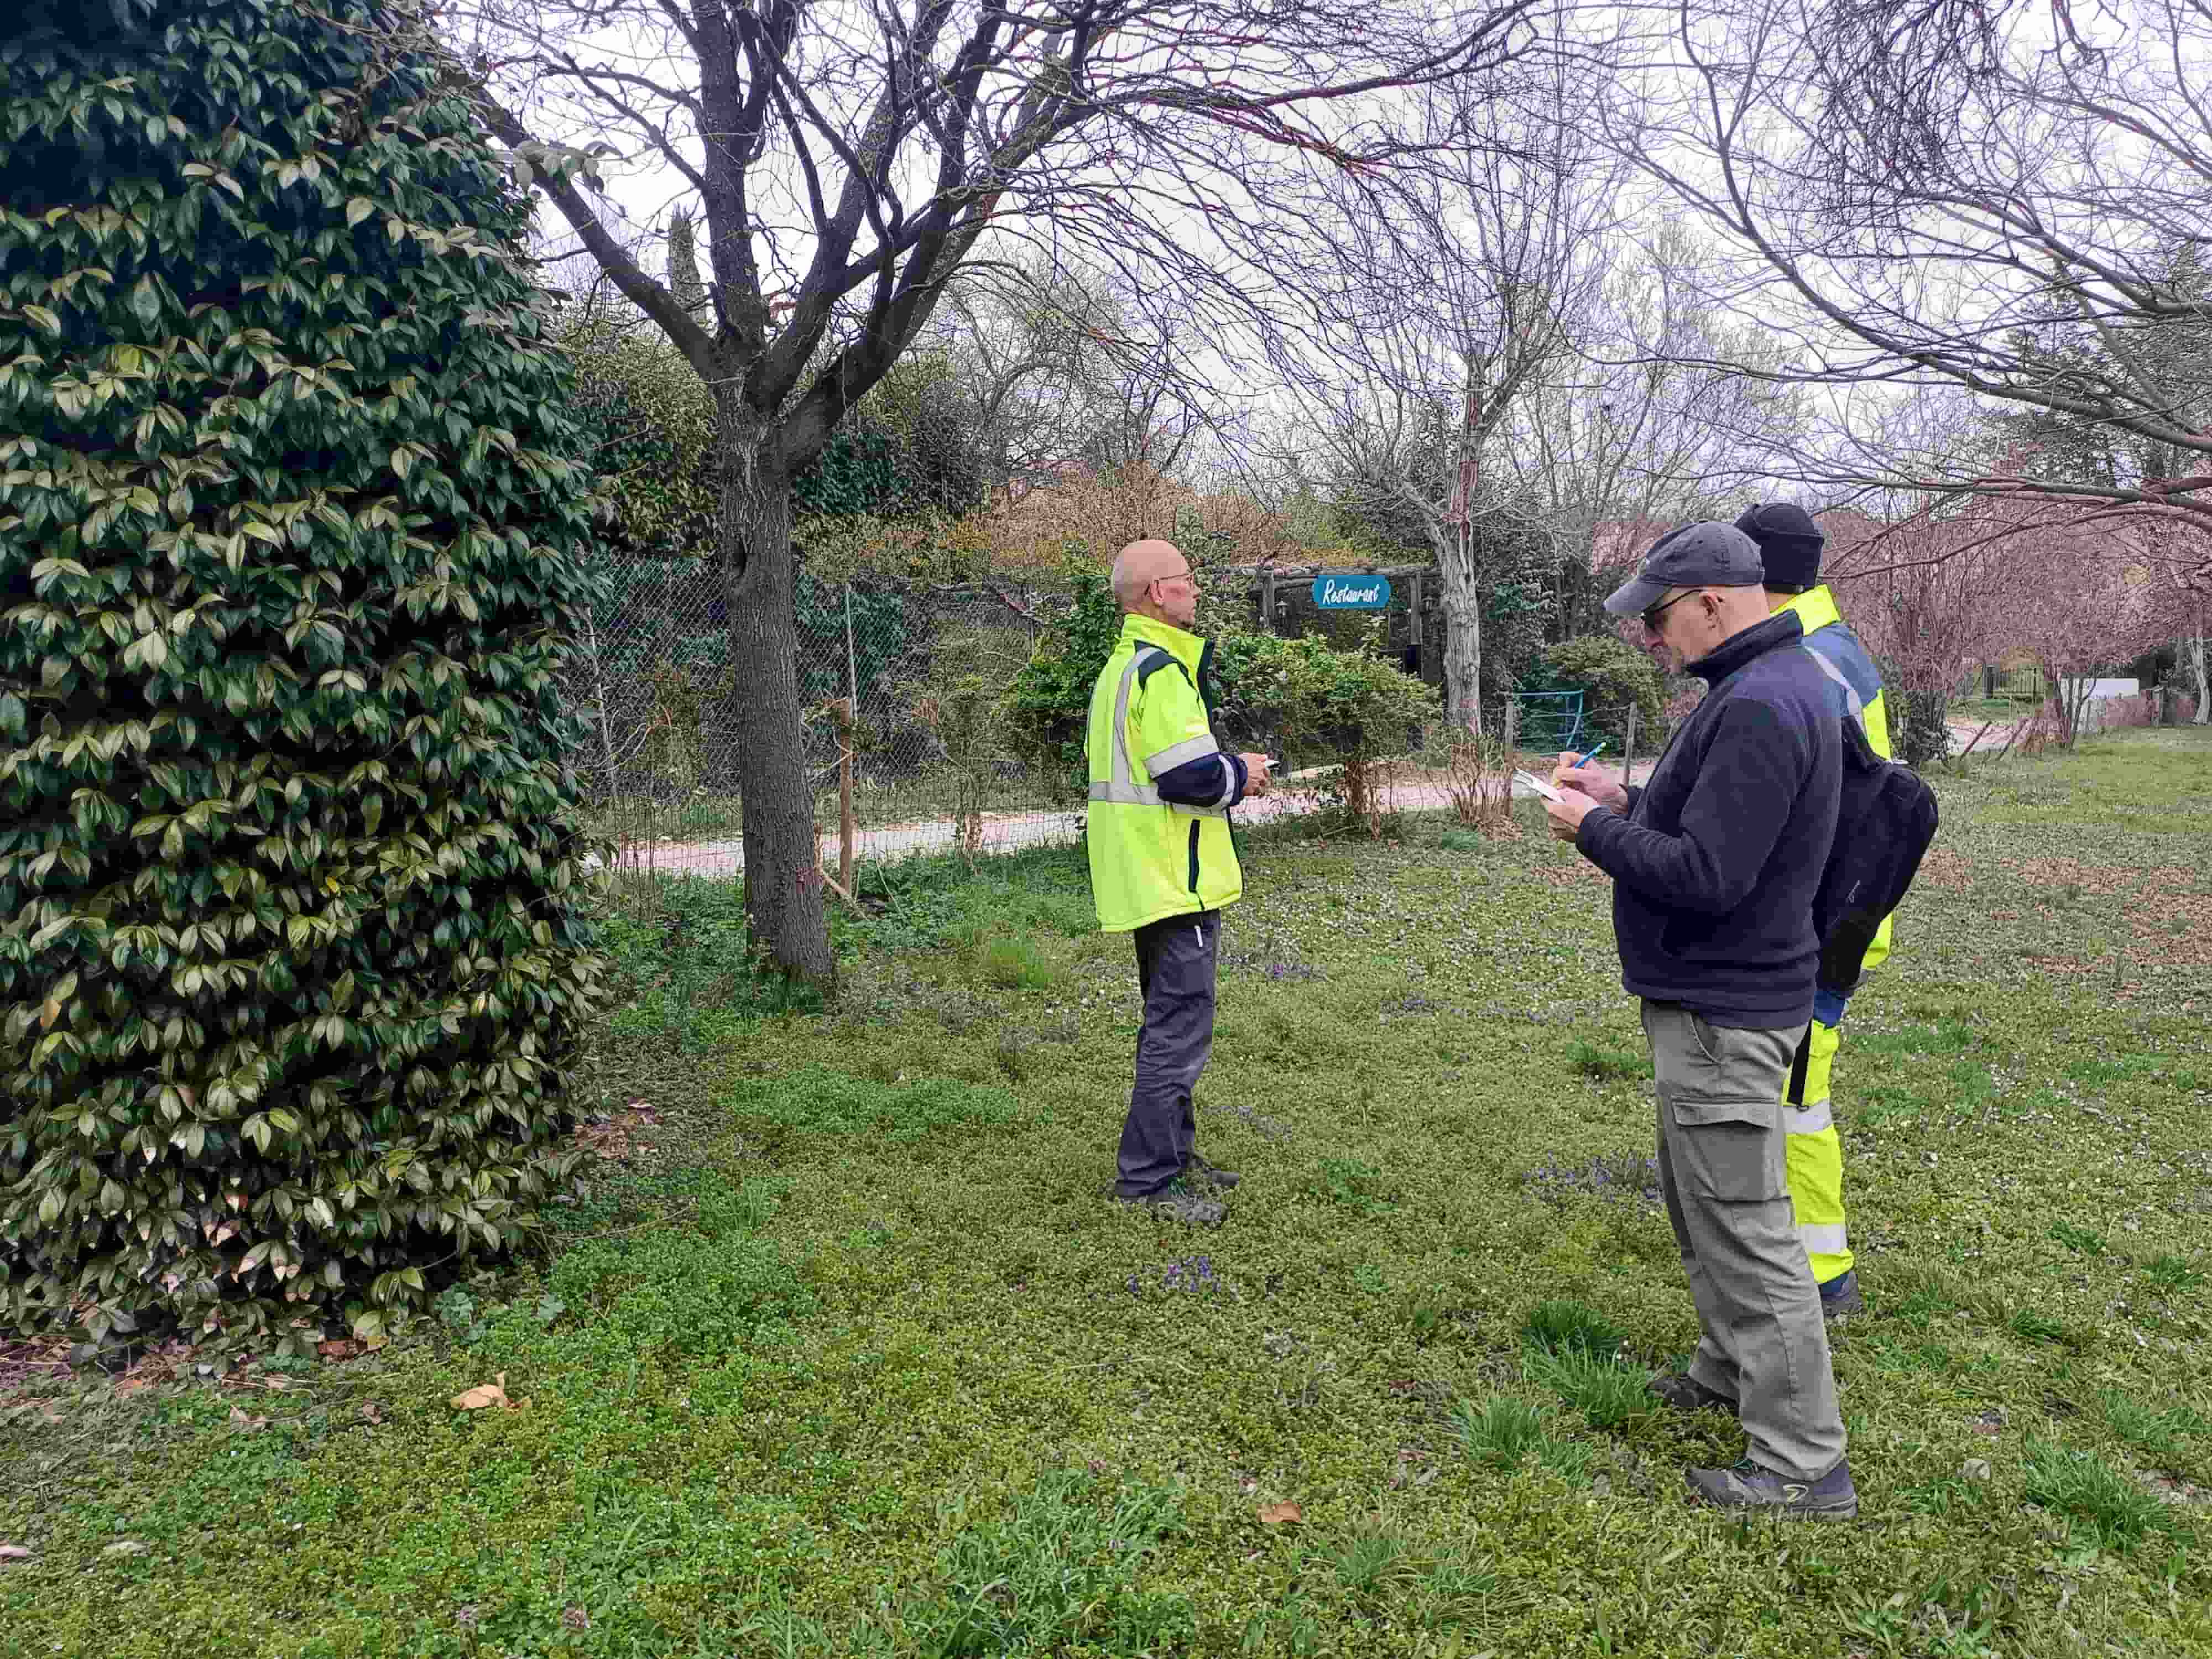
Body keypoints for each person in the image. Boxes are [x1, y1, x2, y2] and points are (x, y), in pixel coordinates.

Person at [1543, 521, 1856, 1519]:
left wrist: (1592, 829)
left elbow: (1709, 877)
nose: (1655, 639)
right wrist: (1624, 798)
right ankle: (1728, 1372)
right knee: (1706, 1209)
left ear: (1715, 602)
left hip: (1726, 1005)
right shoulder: (1767, 686)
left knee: (1750, 1229)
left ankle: (1805, 1462)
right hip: (1721, 1001)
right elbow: (1721, 831)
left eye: (1662, 619)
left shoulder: (1764, 704)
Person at [1084, 539, 1273, 1224]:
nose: (1196, 591)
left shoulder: (1120, 667)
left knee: (1169, 1023)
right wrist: (1243, 772)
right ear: (1157, 594)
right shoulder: (1161, 672)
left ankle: (1174, 1155)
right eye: (1187, 581)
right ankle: (1147, 1183)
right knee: (1177, 1031)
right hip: (1175, 879)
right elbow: (1187, 778)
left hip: (1144, 877)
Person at [1734, 503, 1890, 1321]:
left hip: (1825, 921)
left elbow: (1809, 812)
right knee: (1793, 1091)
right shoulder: (1828, 646)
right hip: (1833, 911)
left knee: (1797, 1098)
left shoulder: (1809, 664)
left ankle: (1823, 1276)